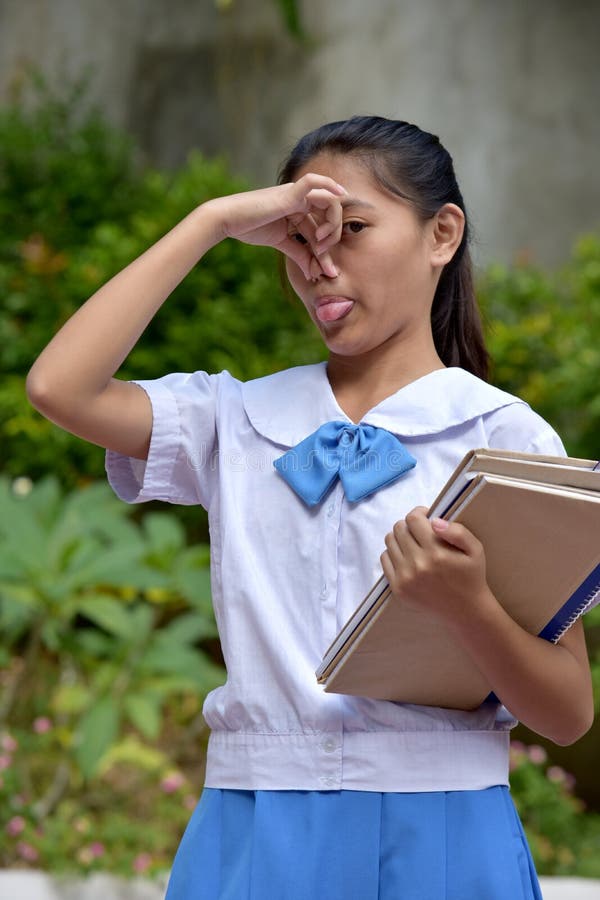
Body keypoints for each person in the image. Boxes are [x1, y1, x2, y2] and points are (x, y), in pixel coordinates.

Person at [27, 116, 594, 900]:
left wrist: (467, 608)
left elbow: (567, 713)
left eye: (352, 228)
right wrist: (213, 222)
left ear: (442, 235)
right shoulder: (232, 418)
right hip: (255, 831)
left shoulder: (505, 437)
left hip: (447, 837)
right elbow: (59, 388)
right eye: (298, 236)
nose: (320, 263)